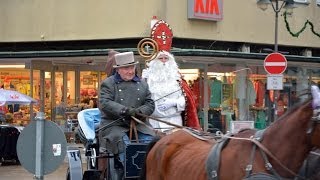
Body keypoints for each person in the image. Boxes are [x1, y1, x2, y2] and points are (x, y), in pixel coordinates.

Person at [98, 51, 155, 176]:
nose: (130, 71)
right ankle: (132, 174)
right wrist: (124, 110)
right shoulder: (108, 83)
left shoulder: (143, 84)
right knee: (127, 146)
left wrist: (140, 112)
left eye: (132, 67)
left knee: (152, 142)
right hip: (114, 125)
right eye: (126, 68)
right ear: (118, 69)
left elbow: (150, 104)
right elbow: (105, 103)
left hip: (140, 125)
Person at [142, 50, 200, 132]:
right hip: (153, 124)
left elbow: (188, 101)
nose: (163, 61)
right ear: (154, 62)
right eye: (160, 58)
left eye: (166, 58)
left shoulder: (178, 80)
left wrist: (174, 102)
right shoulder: (147, 80)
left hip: (174, 123)